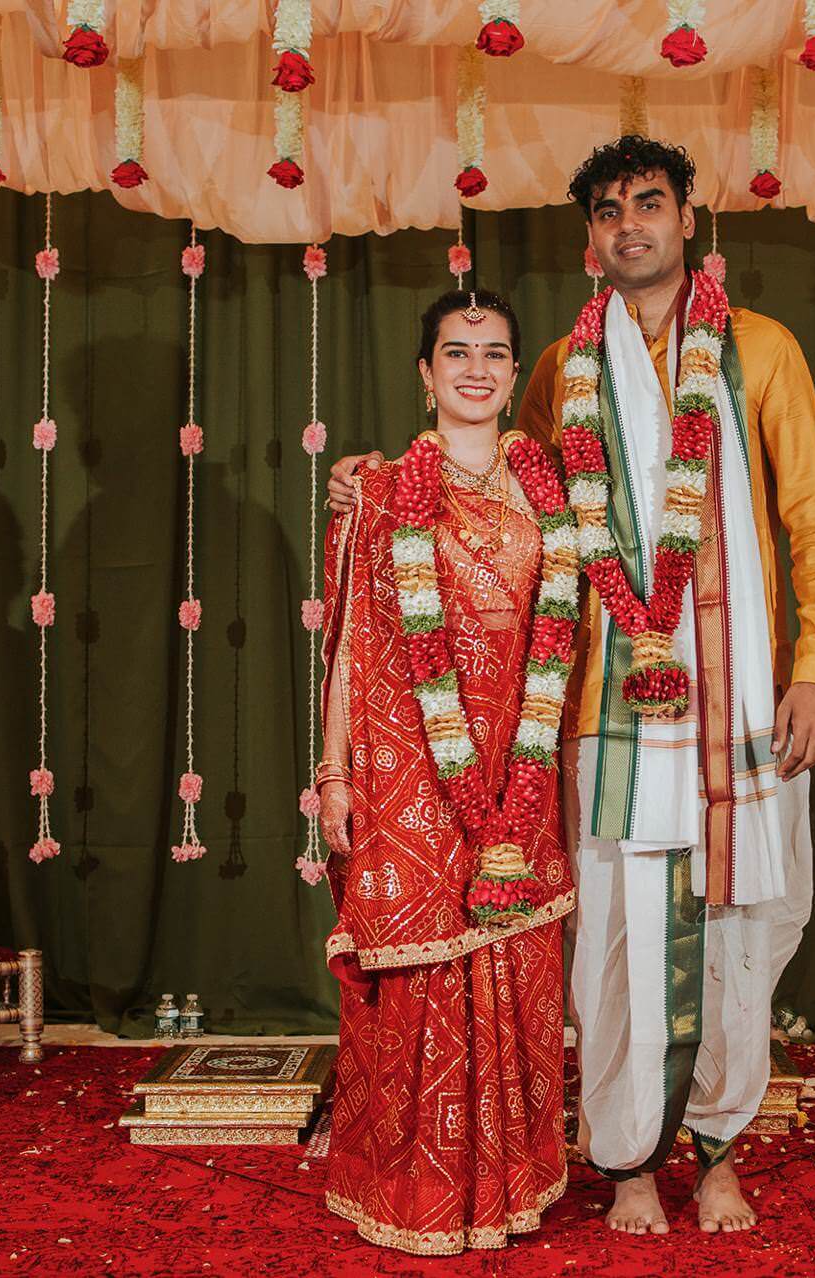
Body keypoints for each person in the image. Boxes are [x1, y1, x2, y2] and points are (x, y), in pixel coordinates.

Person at [330, 136, 815, 1237]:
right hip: (600, 712)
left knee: (737, 932)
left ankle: (716, 1151)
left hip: (742, 704)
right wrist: (377, 479)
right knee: (617, 941)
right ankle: (625, 1161)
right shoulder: (561, 377)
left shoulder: (761, 351)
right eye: (611, 210)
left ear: (686, 222)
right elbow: (490, 493)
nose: (631, 224)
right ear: (590, 242)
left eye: (650, 204)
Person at [313, 289, 572, 1256]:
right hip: (408, 767)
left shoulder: (548, 486)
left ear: (514, 375)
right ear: (425, 374)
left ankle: (510, 1182)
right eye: (456, 352)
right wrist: (334, 773)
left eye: (495, 353)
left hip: (523, 760)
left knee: (514, 957)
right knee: (422, 973)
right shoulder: (377, 492)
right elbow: (349, 641)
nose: (476, 367)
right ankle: (408, 1191)